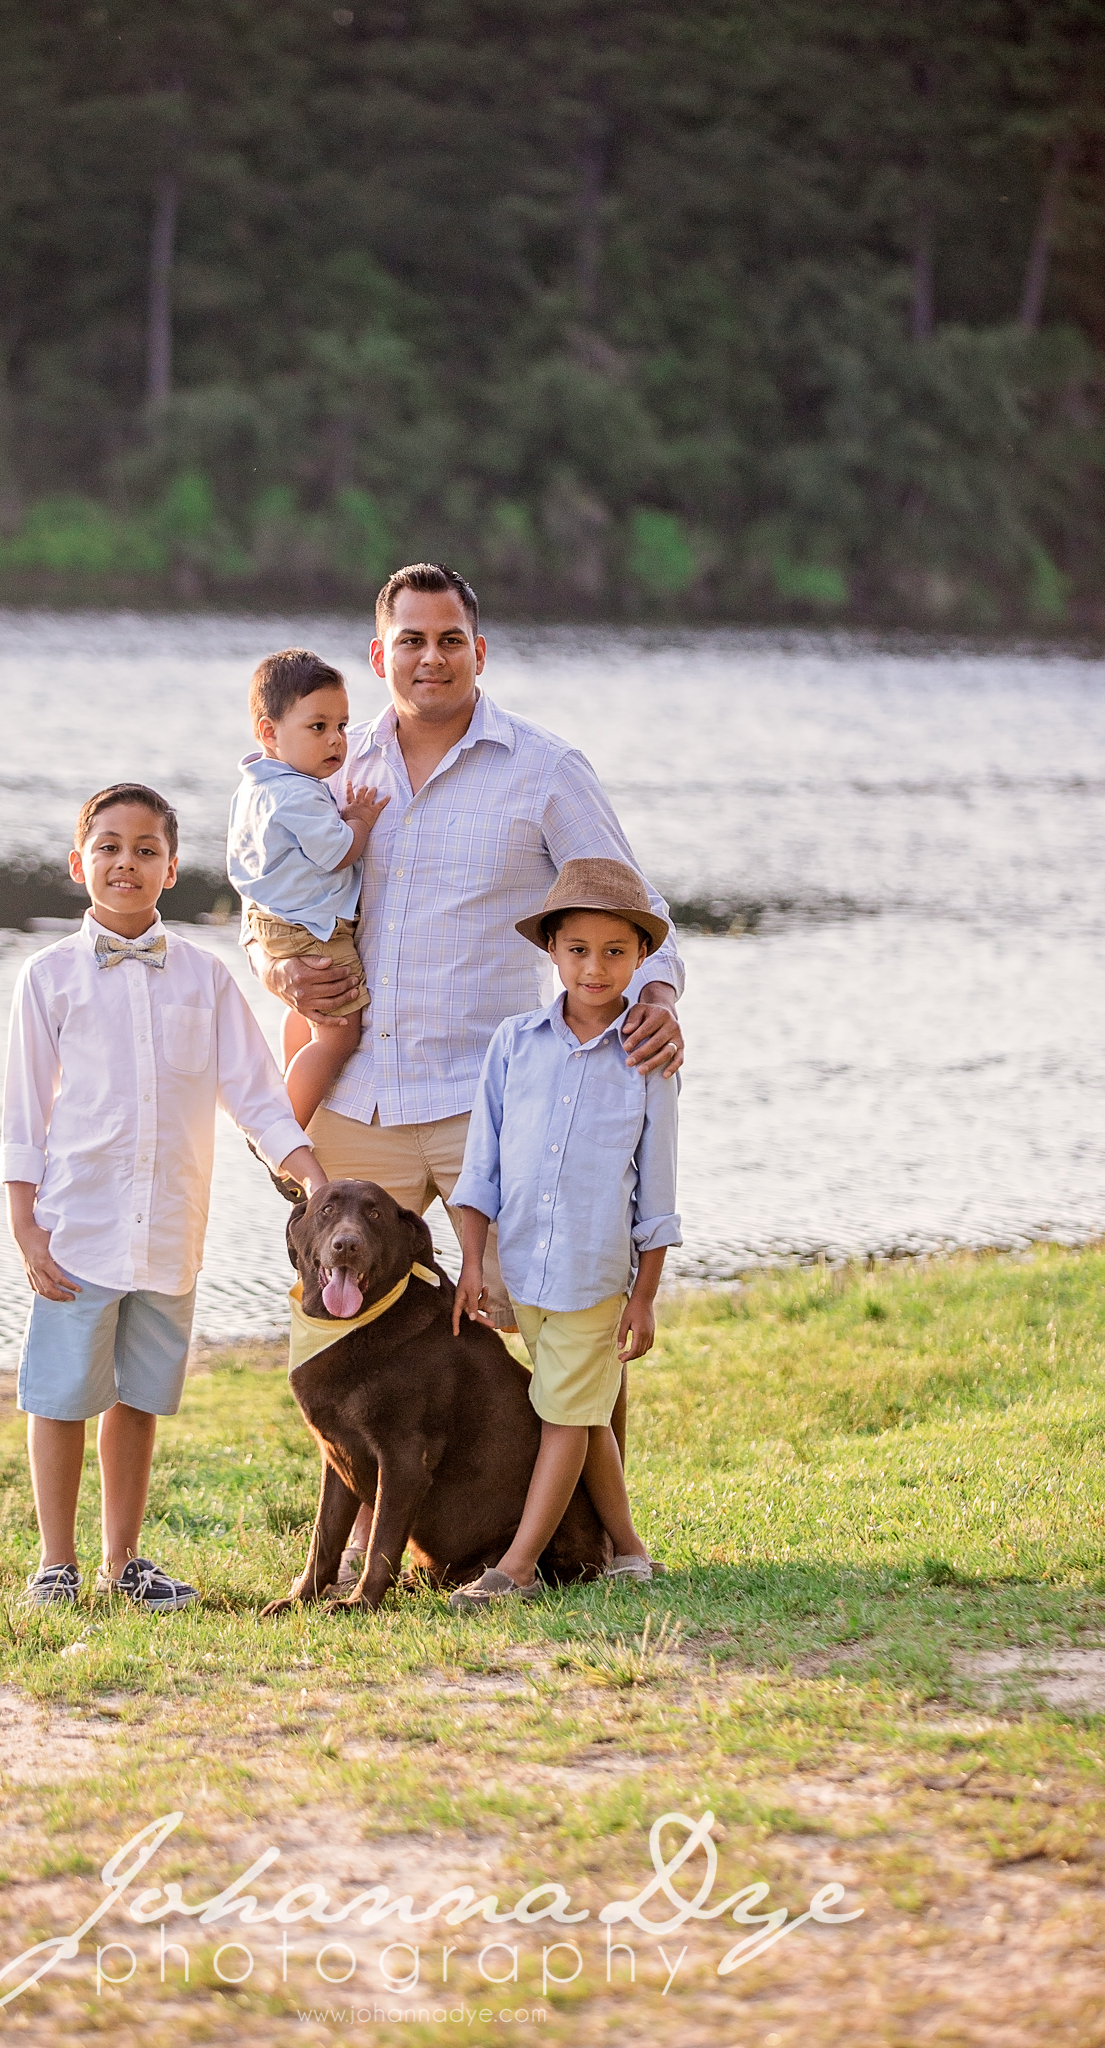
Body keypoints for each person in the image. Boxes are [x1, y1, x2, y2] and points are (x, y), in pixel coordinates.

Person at [244, 561, 686, 1580]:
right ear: (379, 653)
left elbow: (635, 906)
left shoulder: (543, 769)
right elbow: (263, 895)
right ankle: (368, 1540)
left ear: (478, 652)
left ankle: (592, 1537)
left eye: (450, 639)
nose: (430, 656)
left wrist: (656, 998)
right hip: (359, 1100)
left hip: (498, 1104)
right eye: (411, 640)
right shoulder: (328, 765)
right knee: (346, 1316)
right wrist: (272, 962)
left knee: (558, 1317)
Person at [0, 781, 324, 1609]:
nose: (126, 863)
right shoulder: (48, 978)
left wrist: (310, 1174)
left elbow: (255, 1093)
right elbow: (23, 1113)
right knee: (64, 1394)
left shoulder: (206, 980)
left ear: (171, 868)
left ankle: (124, 1559)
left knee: (138, 1397)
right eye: (109, 847)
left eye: (146, 850)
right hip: (79, 1225)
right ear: (80, 863)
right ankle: (56, 1563)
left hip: (171, 1227)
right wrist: (24, 1226)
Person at [446, 859, 682, 1608]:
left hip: (592, 1274)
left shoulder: (647, 1060)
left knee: (560, 1416)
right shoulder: (513, 1044)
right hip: (522, 1272)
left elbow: (659, 1192)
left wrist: (642, 1299)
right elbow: (480, 1165)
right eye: (577, 949)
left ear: (641, 959)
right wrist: (473, 1264)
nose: (594, 966)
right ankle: (631, 1551)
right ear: (551, 951)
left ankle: (515, 1568)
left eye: (615, 951)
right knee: (577, 1410)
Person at [227, 648, 389, 1139]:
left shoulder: (256, 785)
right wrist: (358, 820)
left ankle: (283, 1098)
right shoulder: (298, 793)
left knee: (305, 1011)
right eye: (317, 727)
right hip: (312, 929)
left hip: (272, 920)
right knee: (340, 1032)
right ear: (269, 732)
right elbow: (338, 853)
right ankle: (282, 1133)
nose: (336, 740)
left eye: (341, 725)